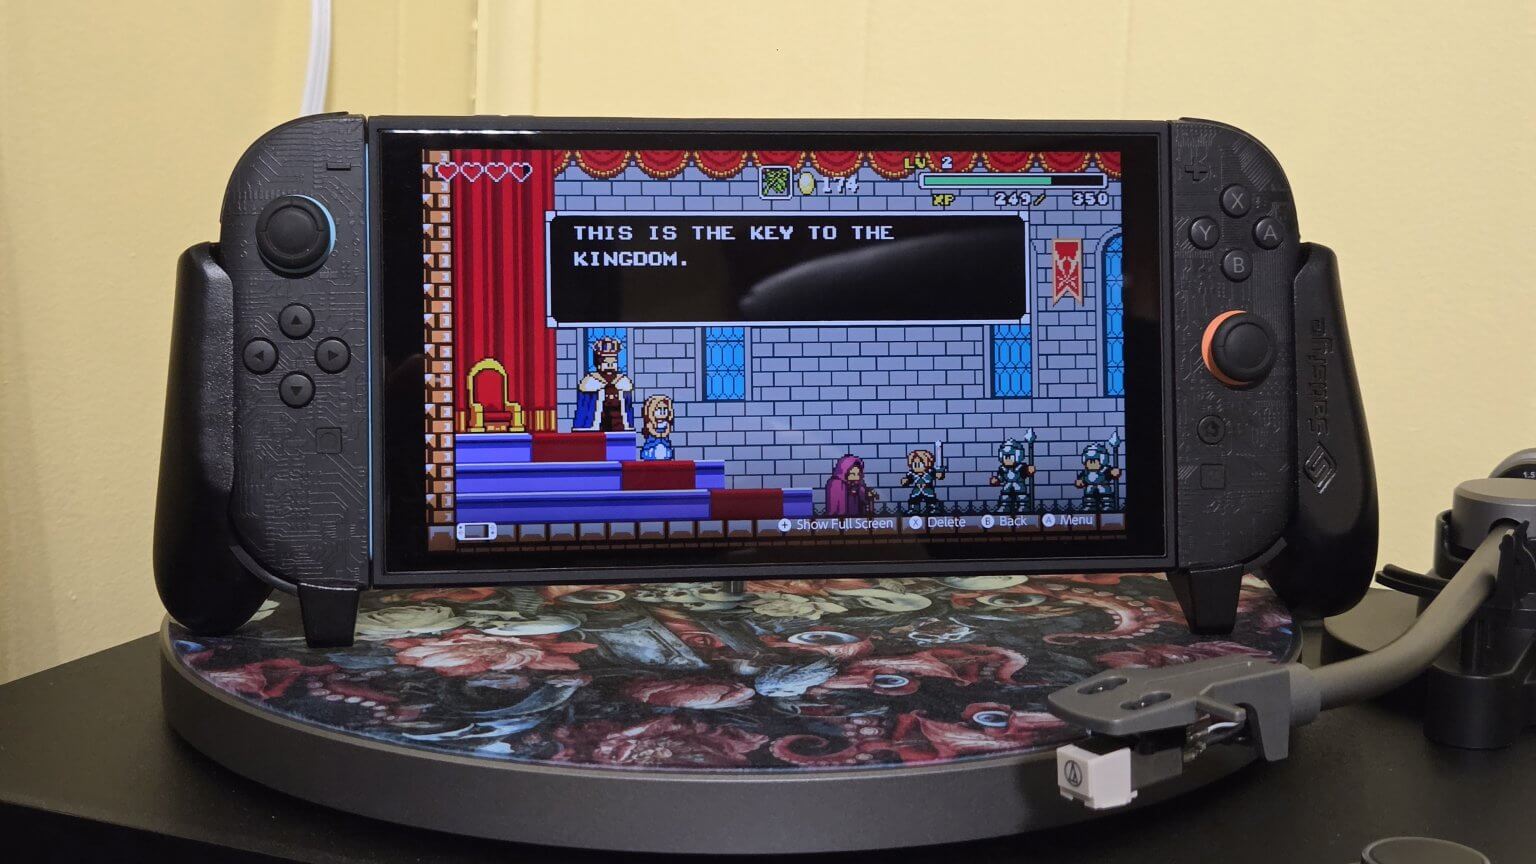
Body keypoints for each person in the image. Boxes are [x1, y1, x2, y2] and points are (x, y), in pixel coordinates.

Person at [573, 336, 635, 432]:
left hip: (619, 428)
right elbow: (585, 411)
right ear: (598, 364)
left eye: (613, 363)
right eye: (606, 363)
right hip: (597, 430)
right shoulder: (590, 382)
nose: (610, 366)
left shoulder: (623, 382)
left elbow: (628, 408)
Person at [989, 438, 1035, 513]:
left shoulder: (1021, 467)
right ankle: (1004, 506)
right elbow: (1000, 478)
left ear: (1018, 455)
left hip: (1019, 484)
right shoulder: (1002, 468)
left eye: (1010, 456)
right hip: (1007, 485)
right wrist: (996, 480)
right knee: (1005, 496)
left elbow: (1027, 473)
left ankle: (1023, 506)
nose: (1007, 459)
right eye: (1005, 457)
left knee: (1021, 496)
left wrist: (1030, 470)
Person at [1074, 442, 1121, 511]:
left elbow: (1112, 473)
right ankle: (1089, 505)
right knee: (1089, 492)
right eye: (1089, 461)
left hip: (1103, 486)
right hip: (1090, 487)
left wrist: (1114, 472)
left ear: (1102, 461)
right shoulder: (1086, 472)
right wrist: (1080, 482)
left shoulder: (1105, 470)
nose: (1092, 463)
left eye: (1094, 461)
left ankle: (1108, 505)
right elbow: (1081, 479)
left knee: (1105, 493)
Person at [899, 449, 945, 515]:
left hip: (927, 489)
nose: (917, 466)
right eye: (914, 464)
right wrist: (905, 481)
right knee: (914, 500)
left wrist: (939, 473)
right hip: (917, 489)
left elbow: (938, 475)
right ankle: (914, 509)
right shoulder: (912, 473)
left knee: (931, 500)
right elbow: (909, 479)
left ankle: (933, 509)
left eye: (919, 464)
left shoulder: (930, 472)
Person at [638, 394, 676, 461]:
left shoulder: (666, 423)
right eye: (659, 409)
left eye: (665, 409)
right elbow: (652, 431)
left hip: (664, 442)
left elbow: (667, 431)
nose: (662, 411)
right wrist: (659, 435)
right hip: (653, 443)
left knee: (664, 452)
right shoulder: (651, 424)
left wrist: (662, 435)